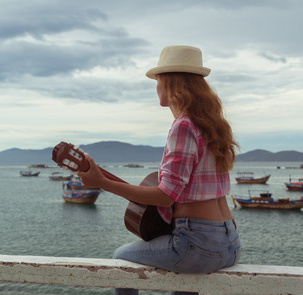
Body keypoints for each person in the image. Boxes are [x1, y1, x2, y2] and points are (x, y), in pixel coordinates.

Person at [77, 45, 241, 295]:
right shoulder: (214, 125)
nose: (156, 86)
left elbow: (166, 195)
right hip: (230, 242)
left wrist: (103, 183)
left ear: (171, 84)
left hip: (197, 244)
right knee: (183, 278)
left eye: (158, 80)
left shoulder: (184, 125)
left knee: (120, 259)